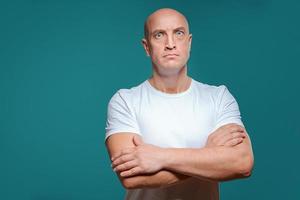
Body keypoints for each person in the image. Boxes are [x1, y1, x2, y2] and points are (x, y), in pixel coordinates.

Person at [105, 8, 254, 200]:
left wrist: (161, 157)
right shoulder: (125, 101)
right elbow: (131, 177)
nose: (170, 44)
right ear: (146, 47)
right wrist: (208, 155)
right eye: (159, 35)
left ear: (189, 42)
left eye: (179, 33)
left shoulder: (218, 97)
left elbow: (242, 163)